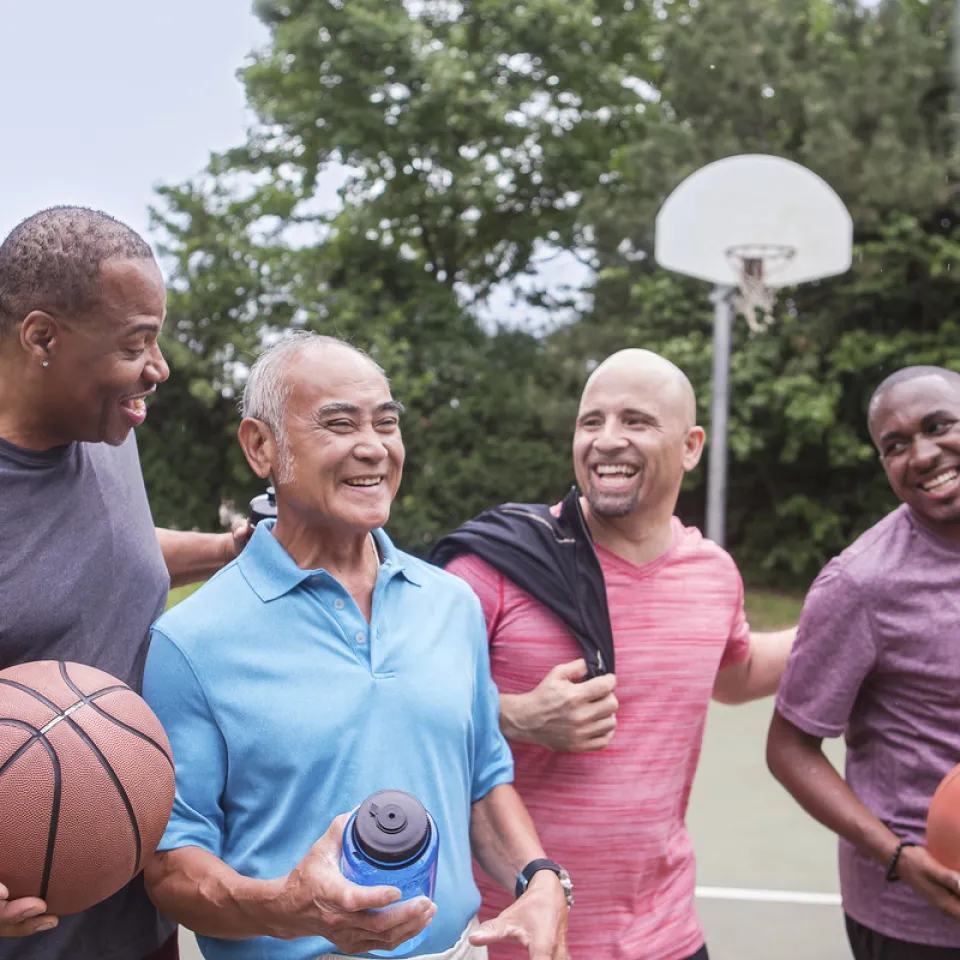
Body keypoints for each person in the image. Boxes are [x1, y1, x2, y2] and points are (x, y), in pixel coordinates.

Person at [139, 332, 570, 960]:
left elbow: (483, 782)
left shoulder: (452, 605)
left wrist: (539, 878)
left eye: (386, 423)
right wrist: (285, 910)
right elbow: (172, 869)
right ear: (262, 447)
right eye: (338, 424)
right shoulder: (189, 642)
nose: (372, 446)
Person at [430, 348, 795, 960]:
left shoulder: (713, 574)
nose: (607, 440)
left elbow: (735, 675)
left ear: (691, 446)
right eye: (590, 421)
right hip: (514, 937)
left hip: (666, 935)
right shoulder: (495, 565)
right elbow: (402, 704)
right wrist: (517, 716)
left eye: (636, 421)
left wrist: (858, 617)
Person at [0, 206, 252, 959]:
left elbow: (107, 555)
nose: (159, 367)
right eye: (135, 343)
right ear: (42, 337)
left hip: (138, 928)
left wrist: (226, 548)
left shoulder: (104, 426)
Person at [768, 365, 960, 959]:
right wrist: (896, 856)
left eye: (939, 426)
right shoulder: (861, 584)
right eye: (895, 446)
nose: (922, 454)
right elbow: (789, 748)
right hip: (916, 916)